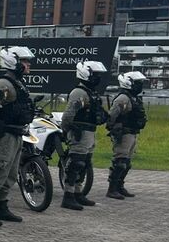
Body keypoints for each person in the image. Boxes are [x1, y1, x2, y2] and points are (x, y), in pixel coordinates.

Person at [0, 46, 36, 227]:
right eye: (25, 61)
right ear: (14, 62)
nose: (28, 65)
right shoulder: (4, 84)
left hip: (17, 133)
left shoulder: (17, 83)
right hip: (5, 135)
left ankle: (1, 207)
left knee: (11, 173)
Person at [59, 60, 109, 210]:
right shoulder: (79, 93)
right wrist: (69, 130)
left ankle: (78, 192)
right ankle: (68, 196)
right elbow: (68, 116)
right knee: (76, 163)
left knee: (85, 163)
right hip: (80, 132)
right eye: (96, 74)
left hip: (89, 132)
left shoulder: (90, 93)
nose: (98, 78)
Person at [106, 71, 149, 200]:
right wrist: (113, 127)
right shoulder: (123, 98)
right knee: (120, 162)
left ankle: (119, 186)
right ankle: (112, 189)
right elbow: (112, 116)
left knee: (127, 162)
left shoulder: (133, 97)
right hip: (124, 133)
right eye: (137, 83)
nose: (140, 86)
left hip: (132, 132)